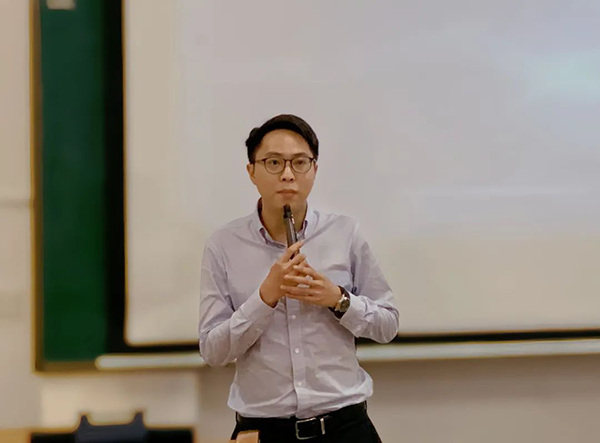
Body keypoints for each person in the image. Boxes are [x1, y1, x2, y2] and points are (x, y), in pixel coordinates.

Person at [199, 114, 399, 442]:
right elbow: (212, 351)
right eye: (273, 162)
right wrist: (264, 298)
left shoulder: (345, 233)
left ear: (314, 169)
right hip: (264, 430)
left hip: (345, 426)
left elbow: (387, 325)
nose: (288, 174)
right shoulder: (223, 245)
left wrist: (338, 299)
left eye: (300, 162)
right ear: (251, 171)